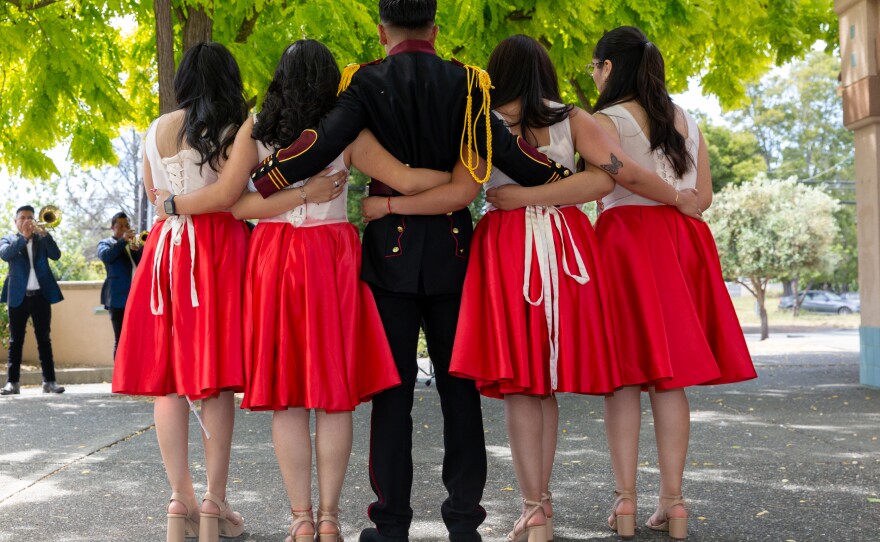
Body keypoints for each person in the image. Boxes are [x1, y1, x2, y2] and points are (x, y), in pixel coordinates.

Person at [244, 3, 585, 542]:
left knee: (392, 398)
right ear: (435, 28)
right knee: (459, 394)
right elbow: (507, 154)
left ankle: (391, 524)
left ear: (382, 31)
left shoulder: (365, 79)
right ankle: (464, 524)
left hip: (389, 254)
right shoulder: (470, 82)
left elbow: (326, 142)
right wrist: (559, 176)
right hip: (454, 250)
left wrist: (269, 178)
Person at [365, 34, 701, 542]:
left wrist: (519, 195)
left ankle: (535, 507)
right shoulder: (574, 117)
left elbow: (469, 186)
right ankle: (646, 501)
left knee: (525, 379)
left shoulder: (482, 120)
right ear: (545, 71)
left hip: (506, 245)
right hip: (568, 245)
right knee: (549, 376)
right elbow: (603, 180)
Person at [158, 38, 449, 542]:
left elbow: (238, 206)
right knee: (334, 396)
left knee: (288, 396)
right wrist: (456, 176)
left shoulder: (257, 127)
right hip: (330, 256)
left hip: (273, 259)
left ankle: (300, 520)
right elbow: (401, 178)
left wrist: (288, 196)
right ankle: (331, 519)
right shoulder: (346, 130)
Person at [589, 26, 757, 540]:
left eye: (594, 67)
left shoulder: (606, 119)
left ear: (610, 68)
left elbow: (623, 179)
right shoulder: (686, 119)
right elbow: (701, 195)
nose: (592, 77)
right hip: (681, 242)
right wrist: (679, 201)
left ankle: (625, 505)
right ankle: (675, 503)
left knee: (622, 378)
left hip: (627, 242)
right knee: (669, 377)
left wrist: (661, 196)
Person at [111, 42, 249, 542]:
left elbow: (155, 195)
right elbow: (232, 196)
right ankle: (213, 502)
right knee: (212, 379)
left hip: (165, 254)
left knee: (170, 382)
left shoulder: (155, 129)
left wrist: (174, 206)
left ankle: (180, 500)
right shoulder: (235, 126)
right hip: (214, 251)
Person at [0, 205, 65, 395]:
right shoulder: (9, 240)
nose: (27, 221)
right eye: (23, 218)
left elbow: (56, 255)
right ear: (16, 221)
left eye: (30, 217)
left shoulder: (42, 238)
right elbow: (5, 254)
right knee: (15, 340)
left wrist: (45, 235)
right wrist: (25, 237)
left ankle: (50, 382)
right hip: (18, 296)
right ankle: (13, 383)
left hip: (40, 296)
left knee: (44, 339)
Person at [97, 212, 142, 359]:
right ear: (112, 227)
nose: (124, 228)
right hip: (117, 299)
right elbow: (107, 256)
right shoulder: (105, 243)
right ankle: (120, 380)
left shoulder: (132, 244)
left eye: (127, 225)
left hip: (138, 297)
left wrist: (140, 249)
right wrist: (123, 241)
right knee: (121, 340)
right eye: (120, 226)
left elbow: (144, 265)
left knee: (138, 340)